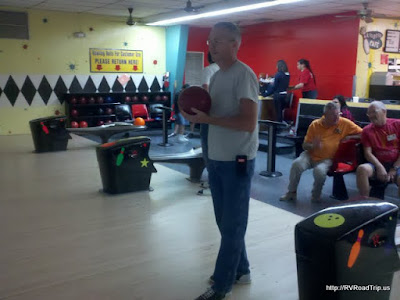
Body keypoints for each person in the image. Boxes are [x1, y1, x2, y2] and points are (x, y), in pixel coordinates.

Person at [180, 22, 259, 300]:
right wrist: (196, 117)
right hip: (216, 159)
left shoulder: (244, 75)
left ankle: (221, 285)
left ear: (235, 44)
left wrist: (209, 119)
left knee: (233, 225)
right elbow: (214, 115)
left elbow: (248, 123)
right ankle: (242, 270)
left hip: (237, 161)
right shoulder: (215, 77)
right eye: (210, 41)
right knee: (226, 223)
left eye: (218, 42)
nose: (211, 46)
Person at [280, 102, 362, 202]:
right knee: (296, 164)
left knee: (319, 172)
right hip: (310, 154)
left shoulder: (345, 123)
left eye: (338, 114)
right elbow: (304, 145)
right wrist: (313, 146)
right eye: (333, 115)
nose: (337, 118)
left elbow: (363, 134)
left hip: (327, 159)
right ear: (325, 115)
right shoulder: (315, 125)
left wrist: (350, 137)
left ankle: (315, 196)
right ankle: (291, 193)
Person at [356, 101, 400, 197]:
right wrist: (379, 166)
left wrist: (394, 168)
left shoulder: (397, 125)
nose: (371, 115)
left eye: (374, 112)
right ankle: (365, 202)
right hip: (378, 163)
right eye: (369, 113)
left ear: (384, 112)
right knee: (362, 169)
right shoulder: (367, 130)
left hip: (397, 164)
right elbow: (368, 153)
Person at [197, 52, 220, 196]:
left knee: (207, 146)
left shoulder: (208, 70)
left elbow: (206, 91)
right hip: (224, 116)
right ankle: (220, 181)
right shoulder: (228, 70)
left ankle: (213, 182)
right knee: (220, 148)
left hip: (210, 115)